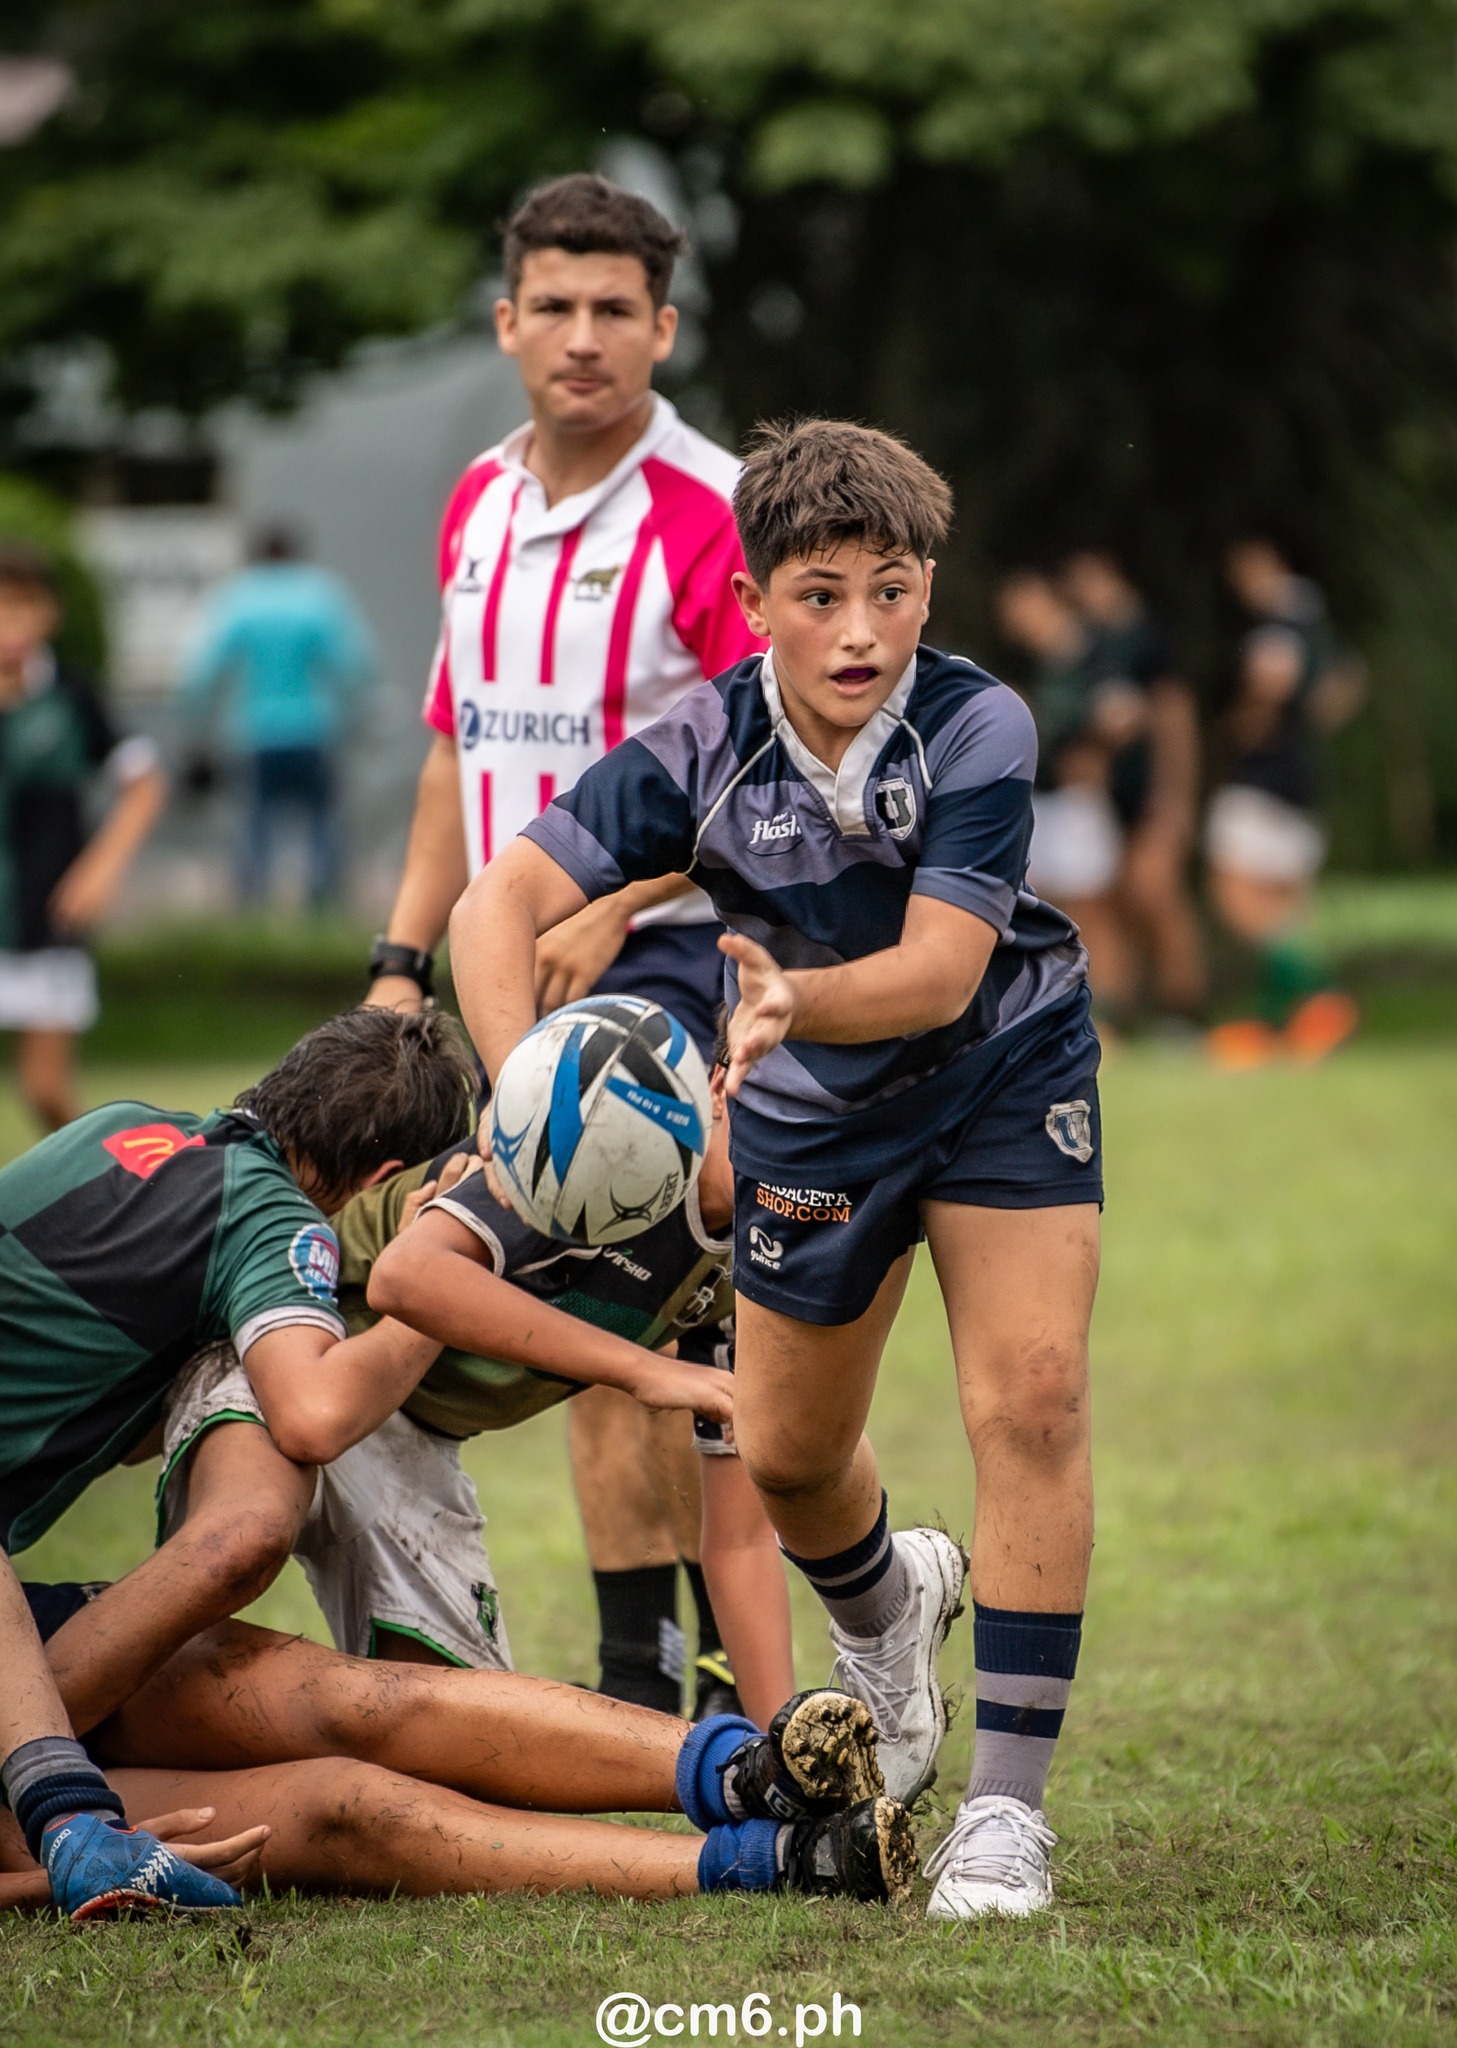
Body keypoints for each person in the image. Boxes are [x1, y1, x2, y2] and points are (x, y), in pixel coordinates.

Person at [450, 420, 1101, 1921]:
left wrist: (791, 998)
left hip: (1001, 1071)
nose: (860, 630)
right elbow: (501, 902)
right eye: (820, 595)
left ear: (929, 589)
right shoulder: (701, 744)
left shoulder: (978, 723)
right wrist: (517, 1092)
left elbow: (940, 972)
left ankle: (1004, 1812)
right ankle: (888, 1613)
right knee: (792, 1454)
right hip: (810, 1116)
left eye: (891, 590)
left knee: (1034, 1395)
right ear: (753, 605)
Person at [364, 172, 766, 1718]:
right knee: (544, 1306)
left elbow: (765, 773)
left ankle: (666, 1688)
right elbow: (452, 748)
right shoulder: (477, 499)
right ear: (505, 322)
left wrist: (612, 906)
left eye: (615, 309)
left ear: (663, 328)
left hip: (667, 969)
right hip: (495, 974)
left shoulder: (712, 509)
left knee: (616, 1303)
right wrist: (401, 959)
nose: (582, 336)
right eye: (555, 306)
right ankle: (658, 1688)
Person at [154, 1044, 796, 1727]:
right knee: (238, 1548)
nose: (807, 1150)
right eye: (786, 1113)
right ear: (721, 1085)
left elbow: (742, 1541)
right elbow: (407, 1278)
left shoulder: (762, 1260)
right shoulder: (608, 1135)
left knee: (461, 1740)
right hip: (293, 1355)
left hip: (419, 1440)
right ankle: (82, 1726)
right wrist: (645, 1370)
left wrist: (783, 1741)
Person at [0, 1006, 476, 1740]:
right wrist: (436, 1280)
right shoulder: (274, 1218)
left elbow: (117, 1419)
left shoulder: (121, 1125)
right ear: (383, 1179)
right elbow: (312, 1417)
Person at [6, 1580, 910, 1907]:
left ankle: (746, 1774)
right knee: (350, 1809)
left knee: (357, 1701)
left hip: (29, 1646)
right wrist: (52, 1877)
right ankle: (782, 1863)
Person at [0, 541, 166, 1130]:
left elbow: (145, 782)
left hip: (48, 913)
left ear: (51, 613)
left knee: (45, 1090)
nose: (11, 622)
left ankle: (111, 1178)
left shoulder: (71, 696)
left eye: (24, 605)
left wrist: (102, 867)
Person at [0, 1557, 260, 1920]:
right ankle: (76, 1823)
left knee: (339, 1711)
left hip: (26, 1631)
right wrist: (68, 1870)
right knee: (335, 1806)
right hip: (44, 1808)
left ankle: (74, 1819)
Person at [1208, 540, 1365, 1067]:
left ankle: (1321, 996)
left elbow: (1270, 679)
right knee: (1285, 905)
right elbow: (1347, 682)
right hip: (1303, 776)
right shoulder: (1316, 620)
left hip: (1262, 777)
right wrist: (1308, 726)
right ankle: (1291, 1025)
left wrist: (1247, 723)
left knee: (1233, 896)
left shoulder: (1278, 622)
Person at [178, 523, 375, 911]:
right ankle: (323, 909)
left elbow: (201, 671)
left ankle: (254, 913)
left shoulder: (239, 597)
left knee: (255, 825)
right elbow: (355, 665)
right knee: (322, 822)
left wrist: (194, 725)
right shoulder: (320, 595)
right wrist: (359, 714)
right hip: (315, 730)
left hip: (255, 732)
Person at [1060, 549, 1206, 1027]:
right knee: (1117, 903)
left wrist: (1176, 796)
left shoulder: (1146, 638)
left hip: (1152, 796)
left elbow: (1175, 717)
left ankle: (1186, 1009)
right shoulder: (1091, 644)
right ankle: (1130, 1014)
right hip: (1109, 802)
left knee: (1155, 894)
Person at [996, 568, 1136, 1021]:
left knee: (1092, 906)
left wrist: (1097, 751)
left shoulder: (1093, 651)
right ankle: (1068, 1007)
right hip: (1041, 797)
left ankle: (1111, 1014)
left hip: (1076, 800)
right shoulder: (1041, 662)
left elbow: (1125, 714)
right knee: (1049, 905)